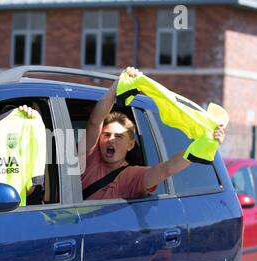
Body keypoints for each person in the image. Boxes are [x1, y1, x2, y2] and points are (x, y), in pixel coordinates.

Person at [79, 66, 225, 200]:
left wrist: (206, 144)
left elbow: (167, 168)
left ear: (130, 145)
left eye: (119, 136)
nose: (111, 140)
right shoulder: (91, 158)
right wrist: (116, 85)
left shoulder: (133, 176)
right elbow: (95, 121)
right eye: (106, 135)